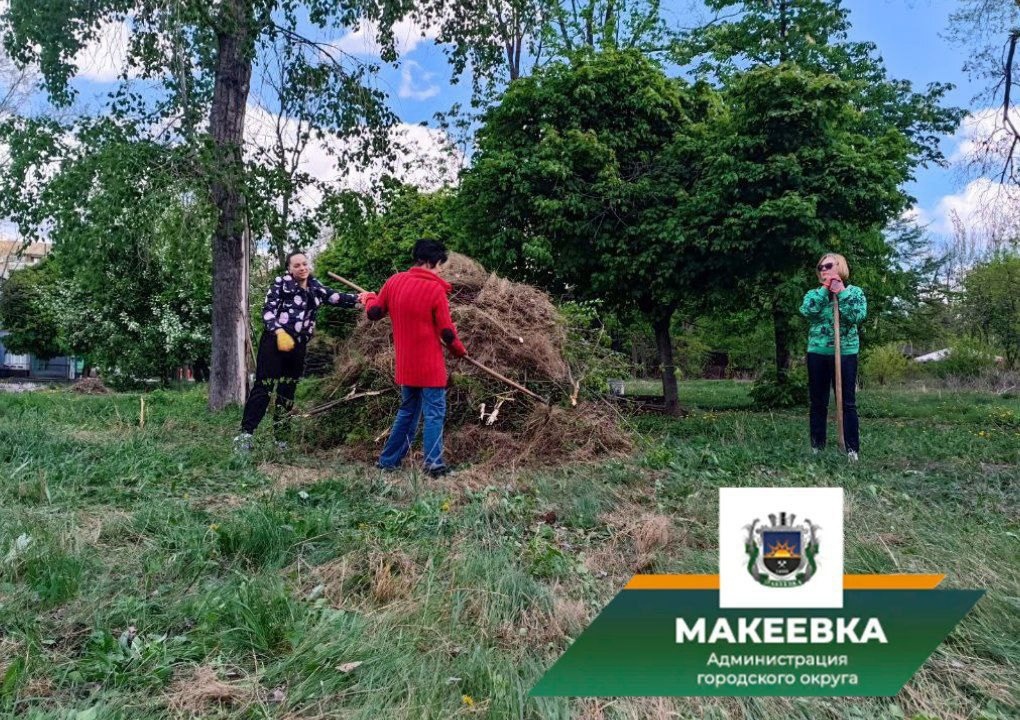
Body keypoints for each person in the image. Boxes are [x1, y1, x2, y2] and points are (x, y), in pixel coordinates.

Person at [234, 251, 362, 453]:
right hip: (275, 342)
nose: (302, 268)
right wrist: (279, 332)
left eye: (304, 264)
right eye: (297, 265)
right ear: (289, 269)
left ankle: (281, 440)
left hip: (297, 346)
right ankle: (245, 435)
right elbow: (267, 311)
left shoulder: (315, 287)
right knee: (264, 387)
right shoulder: (281, 284)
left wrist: (363, 299)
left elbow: (336, 297)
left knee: (287, 391)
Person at [361, 239, 468, 476]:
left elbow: (374, 312)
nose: (441, 270)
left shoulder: (394, 282)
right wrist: (460, 351)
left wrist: (368, 297)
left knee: (408, 411)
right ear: (431, 262)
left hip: (406, 366)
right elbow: (447, 332)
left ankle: (388, 461)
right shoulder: (435, 290)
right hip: (430, 368)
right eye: (440, 264)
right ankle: (434, 464)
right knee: (434, 413)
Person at [799, 252, 867, 462]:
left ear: (840, 266)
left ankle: (851, 449)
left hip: (845, 353)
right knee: (818, 401)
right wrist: (825, 290)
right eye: (820, 268)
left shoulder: (854, 292)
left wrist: (842, 292)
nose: (823, 270)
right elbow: (807, 311)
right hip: (818, 352)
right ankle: (817, 446)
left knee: (847, 402)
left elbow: (857, 316)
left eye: (828, 266)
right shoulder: (814, 293)